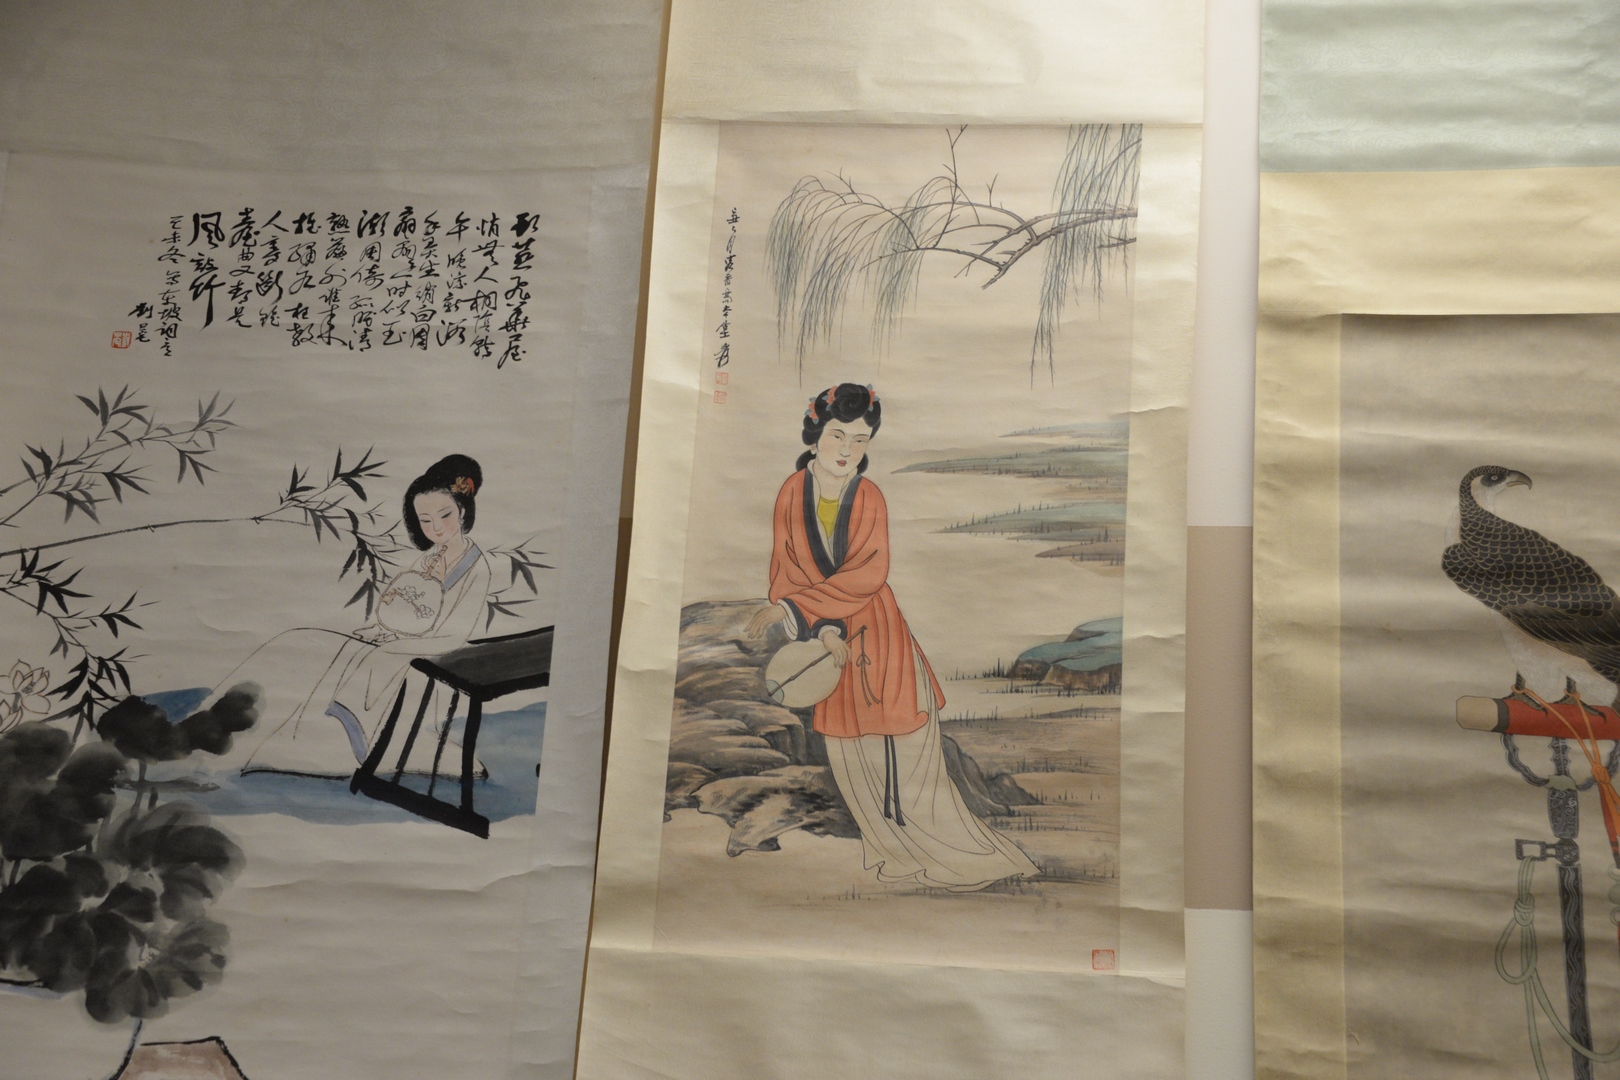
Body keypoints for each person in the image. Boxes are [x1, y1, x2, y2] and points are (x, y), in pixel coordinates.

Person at [745, 384, 1038, 891]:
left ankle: (953, 853)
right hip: (822, 644)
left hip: (875, 631)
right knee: (849, 752)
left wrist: (812, 614)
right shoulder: (792, 491)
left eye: (859, 440)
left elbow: (868, 572)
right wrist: (820, 629)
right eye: (838, 435)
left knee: (906, 748)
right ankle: (892, 852)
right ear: (816, 435)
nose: (847, 450)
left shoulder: (868, 496)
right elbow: (786, 569)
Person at [198, 454, 493, 779]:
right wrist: (379, 628)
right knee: (300, 640)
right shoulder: (427, 560)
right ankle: (229, 720)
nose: (435, 528)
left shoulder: (476, 566)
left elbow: (455, 634)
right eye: (425, 520)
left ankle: (342, 742)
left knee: (371, 658)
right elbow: (399, 606)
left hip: (433, 657)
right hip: (396, 643)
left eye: (444, 515)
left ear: (462, 510)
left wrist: (397, 642)